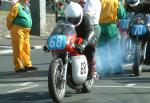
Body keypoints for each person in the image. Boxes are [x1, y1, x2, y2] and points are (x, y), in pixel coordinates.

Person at [6, 0, 38, 73]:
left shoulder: (26, 7)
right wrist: (10, 27)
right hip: (18, 29)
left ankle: (27, 64)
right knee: (18, 48)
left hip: (26, 31)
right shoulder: (17, 6)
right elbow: (9, 18)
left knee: (26, 48)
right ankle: (18, 67)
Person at [98, 0, 126, 75]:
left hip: (100, 26)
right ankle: (117, 68)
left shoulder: (99, 1)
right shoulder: (115, 2)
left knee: (102, 48)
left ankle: (106, 68)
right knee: (115, 48)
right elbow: (122, 14)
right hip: (111, 27)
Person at [76, 0, 101, 77]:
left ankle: (93, 69)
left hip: (92, 27)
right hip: (80, 26)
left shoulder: (92, 1)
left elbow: (87, 15)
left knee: (89, 48)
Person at [125, 0, 150, 65]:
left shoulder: (144, 4)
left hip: (146, 25)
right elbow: (128, 16)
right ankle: (128, 52)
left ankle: (148, 58)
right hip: (138, 26)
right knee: (129, 34)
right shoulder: (130, 6)